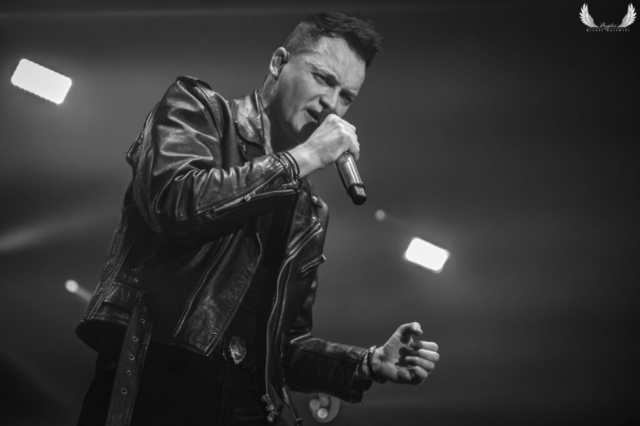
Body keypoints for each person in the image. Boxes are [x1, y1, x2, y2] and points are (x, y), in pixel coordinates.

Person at [76, 12, 440, 426]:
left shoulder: (308, 210)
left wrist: (369, 362)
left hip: (249, 406)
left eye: (346, 97)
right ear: (278, 62)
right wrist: (301, 158)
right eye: (323, 79)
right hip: (160, 383)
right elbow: (176, 205)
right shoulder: (198, 109)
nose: (331, 105)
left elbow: (281, 346)